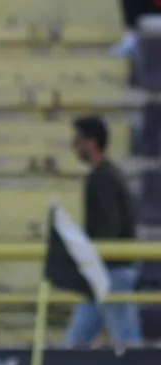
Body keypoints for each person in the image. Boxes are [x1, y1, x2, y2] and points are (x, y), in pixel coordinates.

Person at [65, 115, 143, 346]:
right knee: (76, 340)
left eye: (78, 138)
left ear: (93, 142)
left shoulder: (102, 178)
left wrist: (89, 256)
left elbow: (109, 227)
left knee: (126, 338)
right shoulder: (108, 175)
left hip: (109, 272)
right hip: (104, 270)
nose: (74, 144)